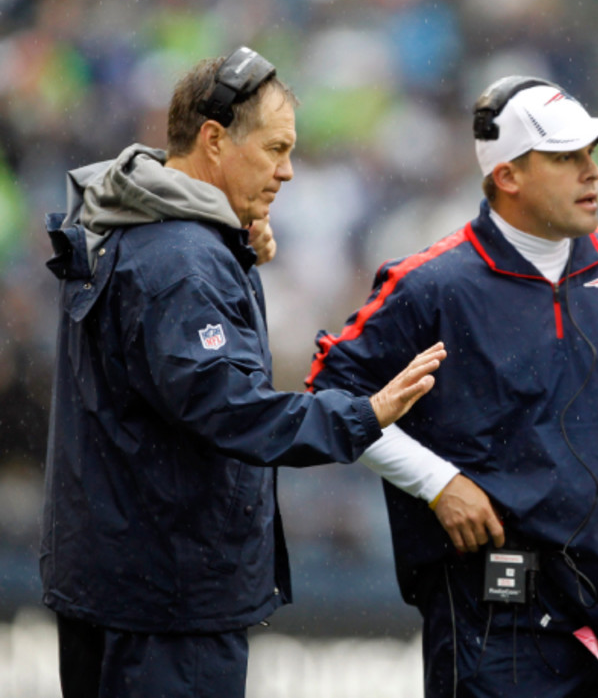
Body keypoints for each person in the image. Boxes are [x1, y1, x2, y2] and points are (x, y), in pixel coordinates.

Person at [305, 75, 598, 697]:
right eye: (565, 157)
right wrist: (437, 482)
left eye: (592, 155)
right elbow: (328, 397)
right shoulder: (431, 285)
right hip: (494, 620)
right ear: (508, 176)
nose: (592, 173)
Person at [41, 47, 447, 698]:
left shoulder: (129, 220)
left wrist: (228, 243)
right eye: (274, 148)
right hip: (169, 604)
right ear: (213, 140)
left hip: (116, 584)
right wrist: (363, 414)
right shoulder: (182, 259)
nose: (287, 172)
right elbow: (228, 407)